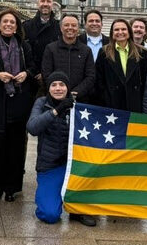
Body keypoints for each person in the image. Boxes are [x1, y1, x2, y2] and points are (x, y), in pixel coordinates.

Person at [0, 8, 36, 202]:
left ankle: (12, 188)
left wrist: (26, 74)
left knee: (16, 147)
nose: (9, 25)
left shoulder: (24, 46)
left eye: (12, 22)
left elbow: (33, 66)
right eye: (5, 22)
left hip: (19, 99)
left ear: (17, 26)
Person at [27, 71, 96, 227]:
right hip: (50, 166)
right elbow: (32, 128)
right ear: (48, 88)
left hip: (74, 167)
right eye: (54, 85)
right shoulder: (41, 103)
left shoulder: (77, 105)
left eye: (62, 85)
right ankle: (54, 196)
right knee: (50, 215)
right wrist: (56, 110)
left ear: (68, 88)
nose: (58, 88)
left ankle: (75, 209)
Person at [94, 19, 147, 112]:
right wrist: (106, 98)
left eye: (123, 29)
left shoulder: (141, 52)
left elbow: (146, 79)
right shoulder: (104, 52)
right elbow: (98, 80)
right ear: (112, 33)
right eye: (116, 30)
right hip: (112, 104)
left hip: (134, 104)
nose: (120, 32)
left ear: (129, 32)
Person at [40, 14, 95, 102]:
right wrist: (60, 91)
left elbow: (90, 76)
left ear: (78, 28)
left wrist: (76, 92)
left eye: (73, 25)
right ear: (61, 28)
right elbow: (46, 74)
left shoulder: (86, 50)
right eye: (66, 25)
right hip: (55, 99)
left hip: (80, 100)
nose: (70, 28)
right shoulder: (50, 48)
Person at [22, 0, 60, 88]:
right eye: (43, 1)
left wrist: (45, 73)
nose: (45, 4)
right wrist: (33, 72)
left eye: (48, 1)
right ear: (38, 3)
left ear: (53, 4)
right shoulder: (26, 26)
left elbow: (60, 54)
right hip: (30, 76)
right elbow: (23, 53)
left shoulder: (59, 26)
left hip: (52, 77)